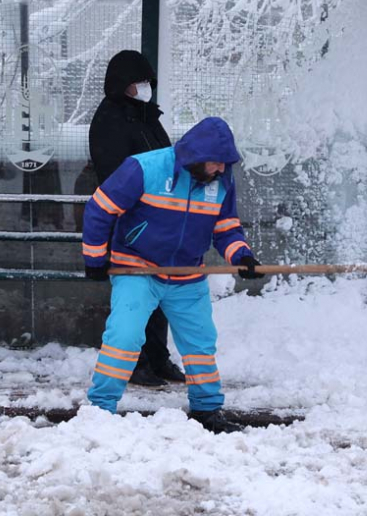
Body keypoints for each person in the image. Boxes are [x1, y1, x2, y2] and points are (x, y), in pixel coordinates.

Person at [81, 117, 263, 433]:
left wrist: (241, 255)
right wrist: (95, 259)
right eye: (216, 162)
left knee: (200, 343)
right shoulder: (144, 168)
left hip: (186, 273)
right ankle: (99, 410)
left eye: (225, 163)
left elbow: (225, 227)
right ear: (196, 155)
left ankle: (207, 410)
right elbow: (100, 208)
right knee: (123, 337)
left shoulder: (221, 182)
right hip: (136, 267)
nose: (221, 169)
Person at [86, 49, 183, 387]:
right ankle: (135, 362)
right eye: (138, 82)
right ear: (121, 85)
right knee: (134, 297)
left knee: (158, 291)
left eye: (147, 82)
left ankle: (158, 358)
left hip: (158, 219)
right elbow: (114, 174)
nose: (145, 87)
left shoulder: (147, 117)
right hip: (130, 221)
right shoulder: (111, 120)